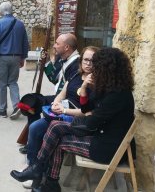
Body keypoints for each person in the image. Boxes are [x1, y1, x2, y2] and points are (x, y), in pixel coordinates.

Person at [10, 47, 136, 192]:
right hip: (102, 137)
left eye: (97, 66)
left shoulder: (117, 96)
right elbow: (86, 109)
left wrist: (66, 122)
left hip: (108, 149)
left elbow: (90, 124)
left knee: (56, 130)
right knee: (55, 132)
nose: (94, 69)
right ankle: (46, 178)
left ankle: (41, 173)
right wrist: (83, 88)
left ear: (107, 70)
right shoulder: (110, 89)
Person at [21, 46, 98, 190]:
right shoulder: (75, 74)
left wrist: (64, 110)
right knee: (34, 126)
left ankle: (40, 173)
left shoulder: (96, 83)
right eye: (86, 60)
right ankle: (32, 166)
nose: (88, 64)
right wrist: (56, 103)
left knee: (46, 132)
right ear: (81, 61)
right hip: (61, 114)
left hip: (75, 120)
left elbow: (88, 112)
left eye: (92, 61)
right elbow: (63, 93)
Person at [19, 33, 80, 153]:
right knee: (28, 102)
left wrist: (58, 103)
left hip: (67, 102)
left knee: (32, 103)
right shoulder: (63, 58)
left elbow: (69, 91)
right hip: (58, 97)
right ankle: (35, 139)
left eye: (57, 44)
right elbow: (54, 78)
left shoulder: (76, 64)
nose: (54, 46)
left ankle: (34, 142)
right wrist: (46, 61)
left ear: (66, 47)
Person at [0, 1, 29, 120]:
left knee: (2, 84)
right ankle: (17, 106)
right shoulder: (20, 24)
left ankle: (2, 110)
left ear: (1, 11)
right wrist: (23, 57)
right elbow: (25, 43)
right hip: (16, 57)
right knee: (13, 82)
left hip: (2, 58)